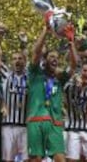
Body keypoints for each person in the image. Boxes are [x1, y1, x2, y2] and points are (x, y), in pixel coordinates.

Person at [27, 24, 76, 162]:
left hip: (55, 122)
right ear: (45, 60)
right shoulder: (35, 73)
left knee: (60, 158)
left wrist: (71, 43)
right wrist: (45, 31)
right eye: (51, 56)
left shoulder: (59, 79)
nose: (55, 59)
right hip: (36, 120)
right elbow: (36, 53)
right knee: (35, 159)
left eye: (57, 57)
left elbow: (73, 65)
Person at [0, 25, 29, 161]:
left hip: (25, 126)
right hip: (8, 126)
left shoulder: (29, 76)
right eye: (14, 59)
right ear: (11, 62)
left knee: (26, 159)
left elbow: (31, 58)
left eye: (20, 59)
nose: (17, 61)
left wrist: (24, 43)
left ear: (24, 61)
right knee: (8, 159)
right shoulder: (6, 74)